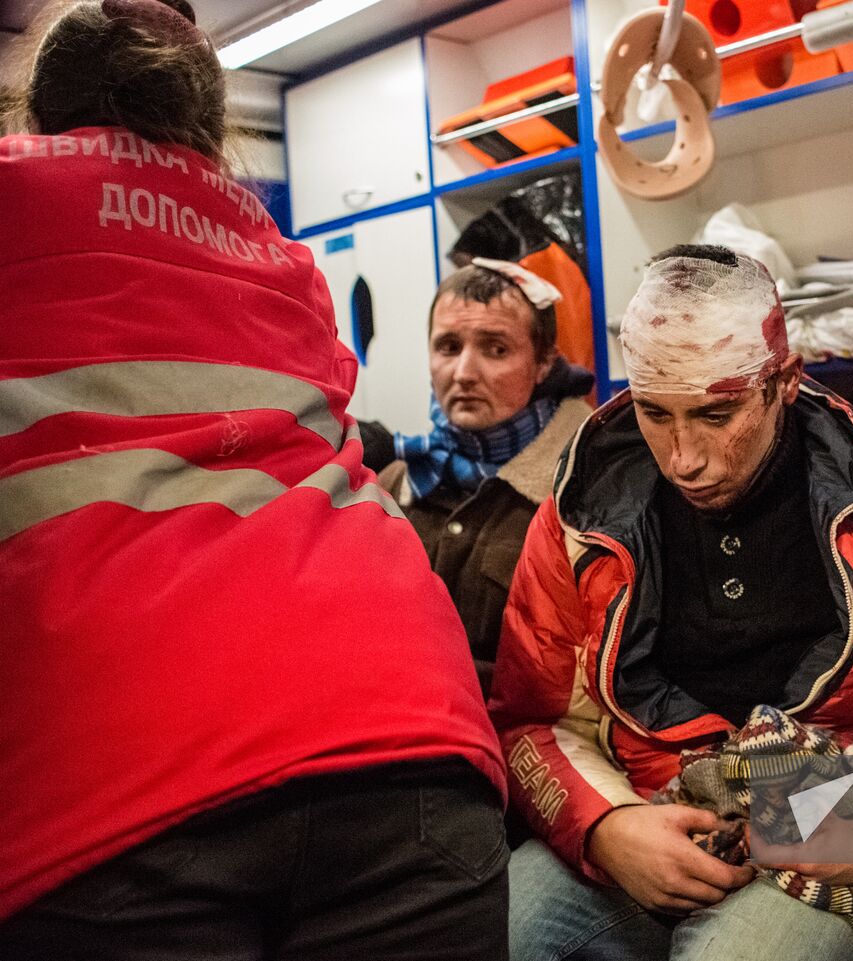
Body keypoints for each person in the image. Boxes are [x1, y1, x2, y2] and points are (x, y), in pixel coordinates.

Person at [0, 2, 508, 957]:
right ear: (204, 130)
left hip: (124, 767)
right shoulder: (281, 259)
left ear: (39, 115)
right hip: (406, 721)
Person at [489, 244, 853, 961]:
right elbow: (527, 721)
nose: (683, 456)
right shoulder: (574, 519)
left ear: (785, 381)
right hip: (642, 811)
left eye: (715, 413)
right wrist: (606, 828)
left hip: (828, 817)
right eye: (653, 413)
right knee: (492, 928)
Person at [375, 260, 594, 697]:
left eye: (496, 349)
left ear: (544, 365)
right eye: (448, 347)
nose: (464, 374)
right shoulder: (398, 480)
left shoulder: (584, 487)